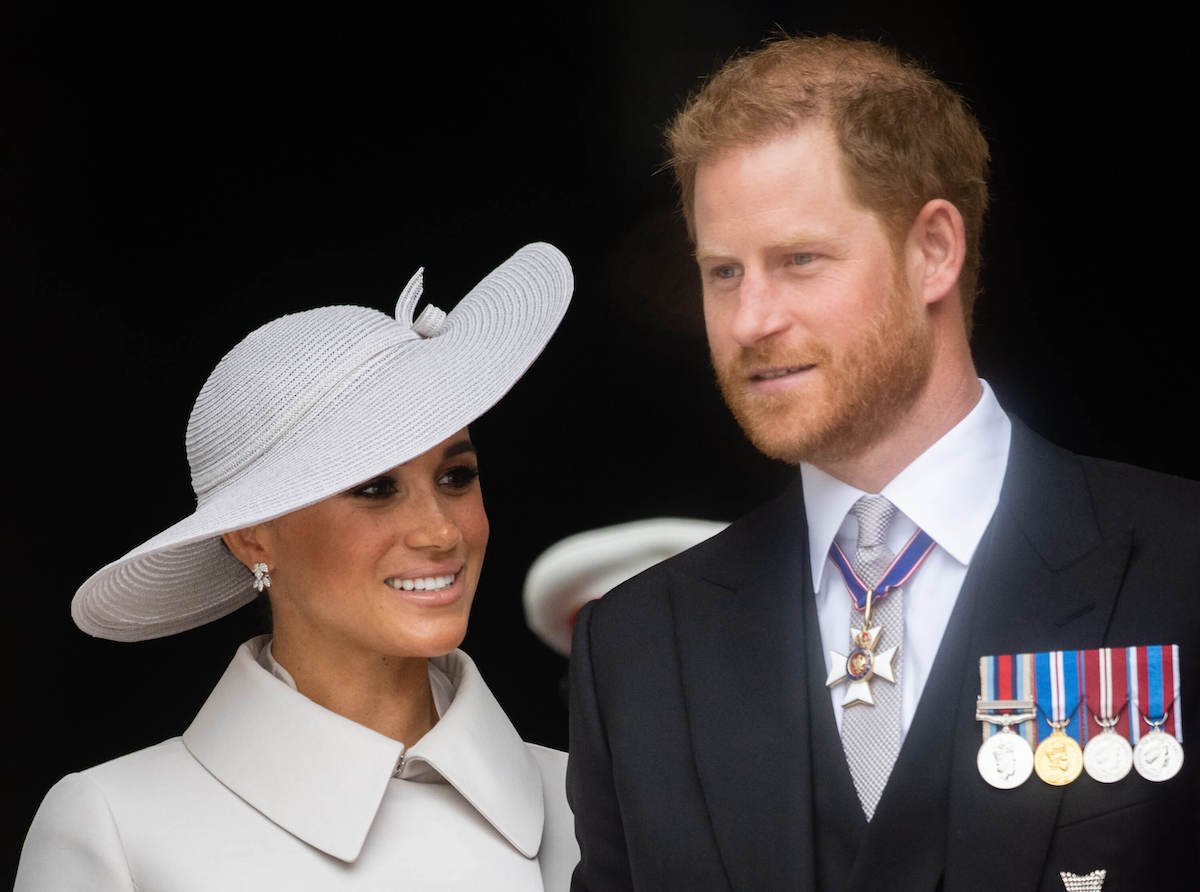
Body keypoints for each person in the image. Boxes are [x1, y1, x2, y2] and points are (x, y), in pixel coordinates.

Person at [566, 35, 1198, 891]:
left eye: (799, 260)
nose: (750, 320)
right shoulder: (638, 649)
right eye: (722, 272)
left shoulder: (1180, 562)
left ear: (935, 249)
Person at [16, 242, 579, 890]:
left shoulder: (584, 803)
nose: (441, 530)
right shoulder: (116, 829)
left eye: (457, 476)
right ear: (252, 538)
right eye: (375, 488)